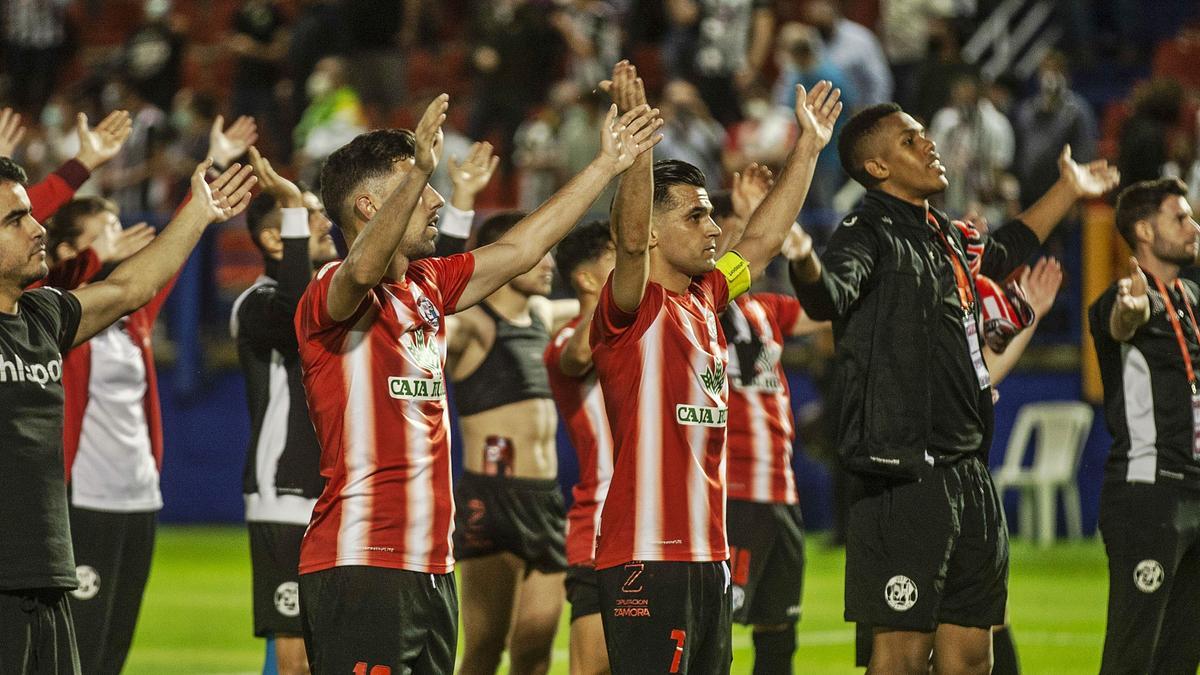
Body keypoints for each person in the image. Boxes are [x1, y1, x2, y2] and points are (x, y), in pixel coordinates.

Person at [293, 94, 661, 674]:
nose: (436, 200)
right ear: (369, 206)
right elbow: (362, 269)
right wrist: (418, 167)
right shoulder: (330, 291)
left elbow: (522, 248)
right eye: (419, 189)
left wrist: (605, 165)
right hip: (362, 560)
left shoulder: (428, 287)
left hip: (433, 567)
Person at [788, 102, 1117, 674]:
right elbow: (828, 297)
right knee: (901, 661)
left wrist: (1068, 190)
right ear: (878, 168)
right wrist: (803, 262)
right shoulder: (865, 234)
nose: (930, 145)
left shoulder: (942, 233)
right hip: (901, 475)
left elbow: (1007, 248)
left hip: (968, 469)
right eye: (912, 140)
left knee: (971, 660)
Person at [590, 60, 840, 673]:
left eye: (711, 213)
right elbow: (625, 242)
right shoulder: (632, 306)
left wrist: (807, 149)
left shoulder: (706, 299)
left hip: (710, 555)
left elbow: (761, 241)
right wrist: (639, 140)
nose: (713, 227)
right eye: (695, 217)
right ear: (651, 232)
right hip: (646, 558)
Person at [0, 155, 255, 671]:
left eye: (31, 214)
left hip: (47, 574)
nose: (36, 227)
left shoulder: (42, 317)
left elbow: (129, 288)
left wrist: (198, 212)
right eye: (14, 219)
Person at [446, 209, 580, 674]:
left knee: (535, 651)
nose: (549, 265)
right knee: (484, 649)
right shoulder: (471, 326)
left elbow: (602, 299)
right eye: (538, 253)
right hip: (491, 498)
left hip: (545, 500)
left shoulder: (542, 314)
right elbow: (428, 318)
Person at [710, 171, 827, 675]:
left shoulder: (766, 310)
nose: (749, 247)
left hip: (780, 494)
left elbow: (832, 311)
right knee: (713, 631)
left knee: (779, 635)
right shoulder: (697, 307)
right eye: (735, 234)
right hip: (732, 493)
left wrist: (799, 246)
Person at [41, 197, 160, 675]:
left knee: (116, 646)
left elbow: (161, 271)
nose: (119, 234)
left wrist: (206, 193)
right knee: (82, 645)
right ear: (72, 247)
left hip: (140, 497)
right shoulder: (56, 315)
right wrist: (94, 260)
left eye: (118, 225)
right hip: (87, 497)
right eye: (104, 229)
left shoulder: (133, 316)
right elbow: (59, 280)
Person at [231, 146, 338, 675]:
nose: (321, 222)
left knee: (335, 649)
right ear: (275, 238)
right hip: (286, 491)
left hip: (337, 491)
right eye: (304, 216)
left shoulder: (336, 298)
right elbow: (299, 311)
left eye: (315, 212)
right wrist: (294, 205)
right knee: (294, 659)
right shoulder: (256, 304)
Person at [1089, 177, 1200, 674]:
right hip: (1148, 495)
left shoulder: (1192, 298)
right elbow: (1122, 321)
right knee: (1133, 654)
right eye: (1180, 217)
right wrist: (1128, 313)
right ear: (1145, 231)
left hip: (1196, 492)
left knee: (1182, 655)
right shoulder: (1121, 298)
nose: (1193, 226)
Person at [543, 219, 616, 675]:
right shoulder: (567, 341)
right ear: (586, 279)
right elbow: (579, 358)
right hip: (601, 527)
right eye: (617, 256)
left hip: (664, 528)